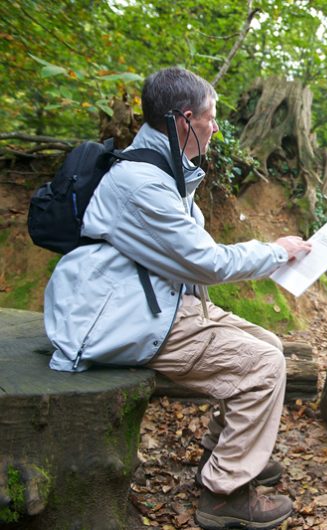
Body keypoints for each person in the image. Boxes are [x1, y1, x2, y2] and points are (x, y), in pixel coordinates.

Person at [43, 67, 310, 529]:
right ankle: (225, 494)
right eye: (212, 117)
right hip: (114, 318)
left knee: (268, 342)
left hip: (145, 302)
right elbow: (206, 263)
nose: (216, 127)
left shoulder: (164, 168)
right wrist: (277, 252)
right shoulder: (143, 183)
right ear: (186, 120)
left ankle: (224, 451)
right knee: (262, 366)